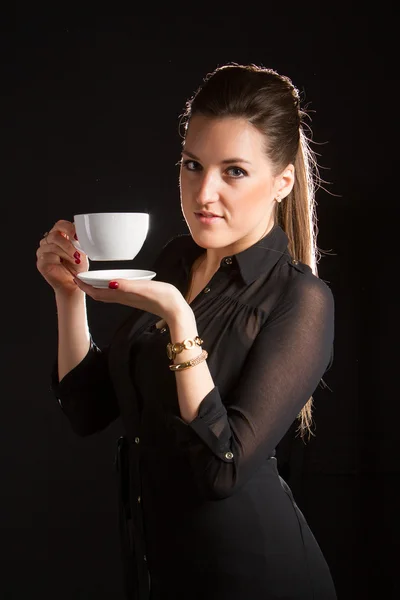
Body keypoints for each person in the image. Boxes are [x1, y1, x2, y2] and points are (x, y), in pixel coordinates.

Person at [36, 63, 336, 599]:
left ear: (283, 181)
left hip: (257, 578)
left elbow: (218, 471)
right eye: (193, 165)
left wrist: (180, 318)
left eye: (234, 171)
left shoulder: (300, 300)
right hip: (161, 570)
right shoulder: (176, 261)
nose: (204, 191)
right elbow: (87, 407)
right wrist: (69, 295)